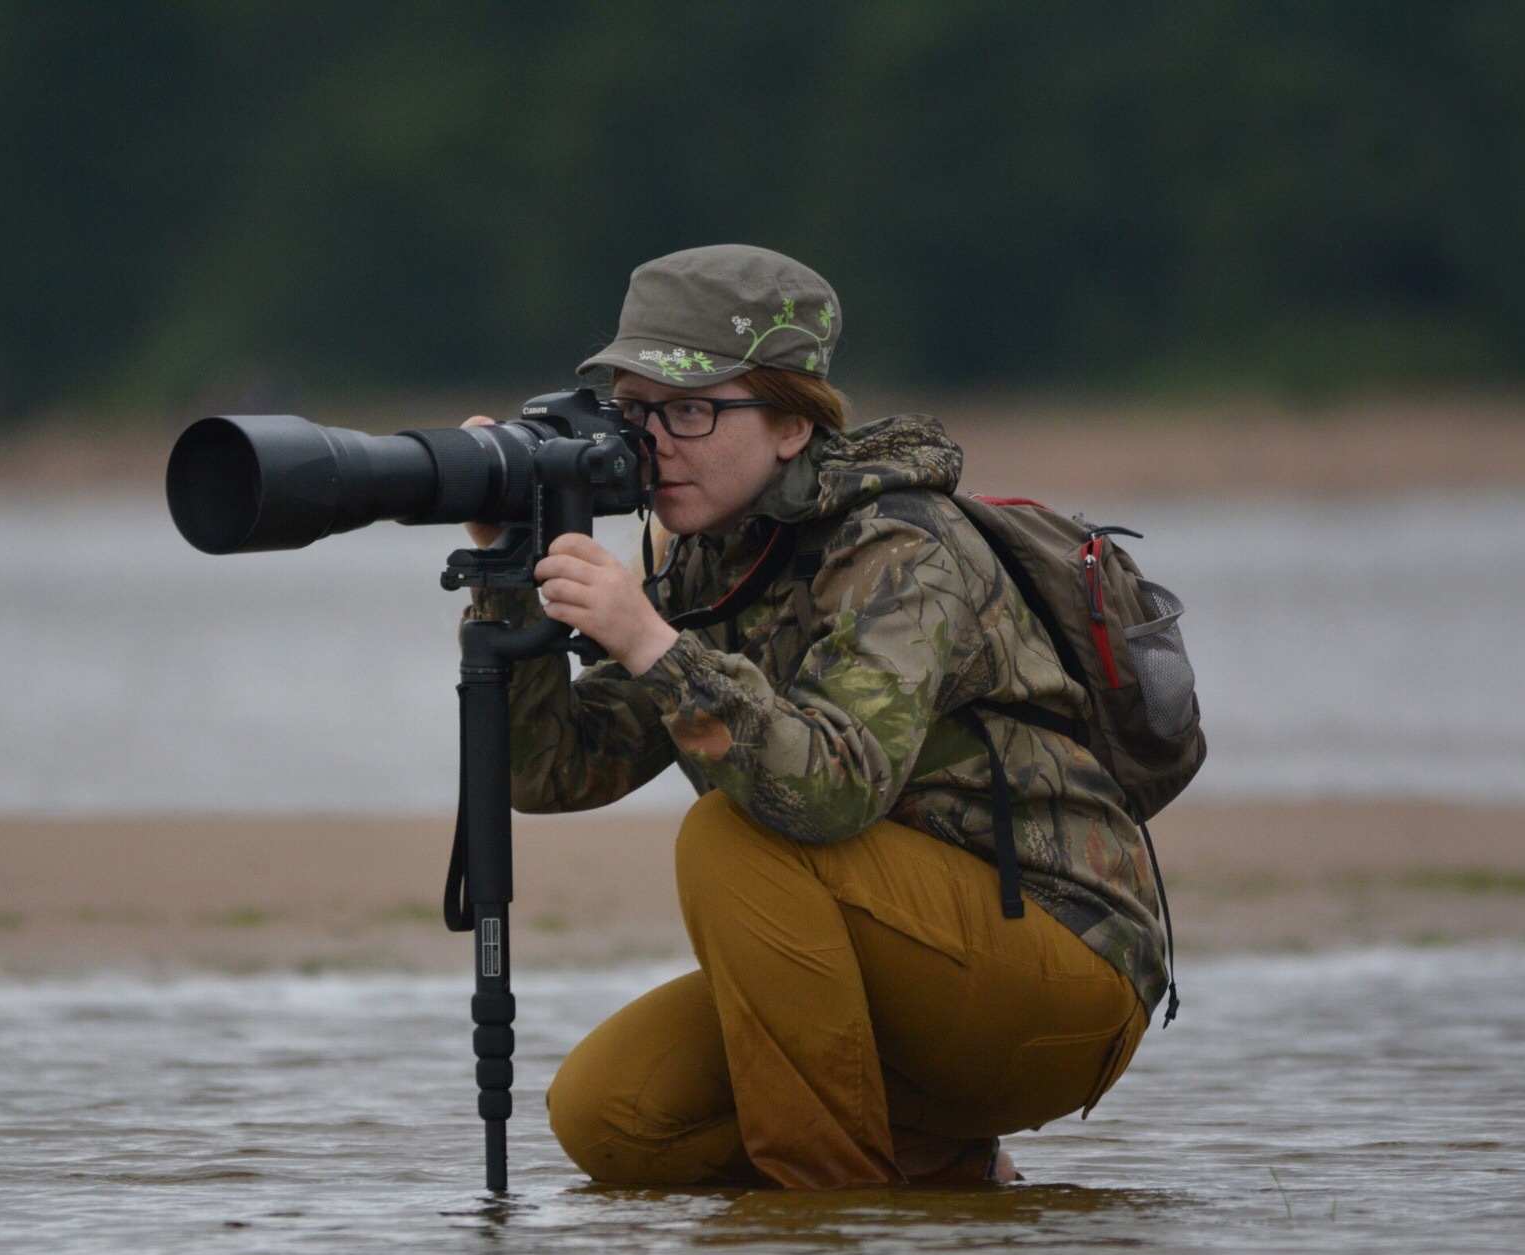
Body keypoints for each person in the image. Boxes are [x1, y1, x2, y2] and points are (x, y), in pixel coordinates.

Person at [463, 244, 1169, 1190]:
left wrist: (652, 642)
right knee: (611, 1114)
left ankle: (828, 1221)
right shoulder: (708, 559)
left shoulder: (907, 547)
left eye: (690, 409)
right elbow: (553, 770)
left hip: (1062, 968)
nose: (651, 442)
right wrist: (515, 574)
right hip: (903, 977)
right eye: (633, 412)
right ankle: (940, 1172)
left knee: (730, 837)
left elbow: (831, 791)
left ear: (792, 423)